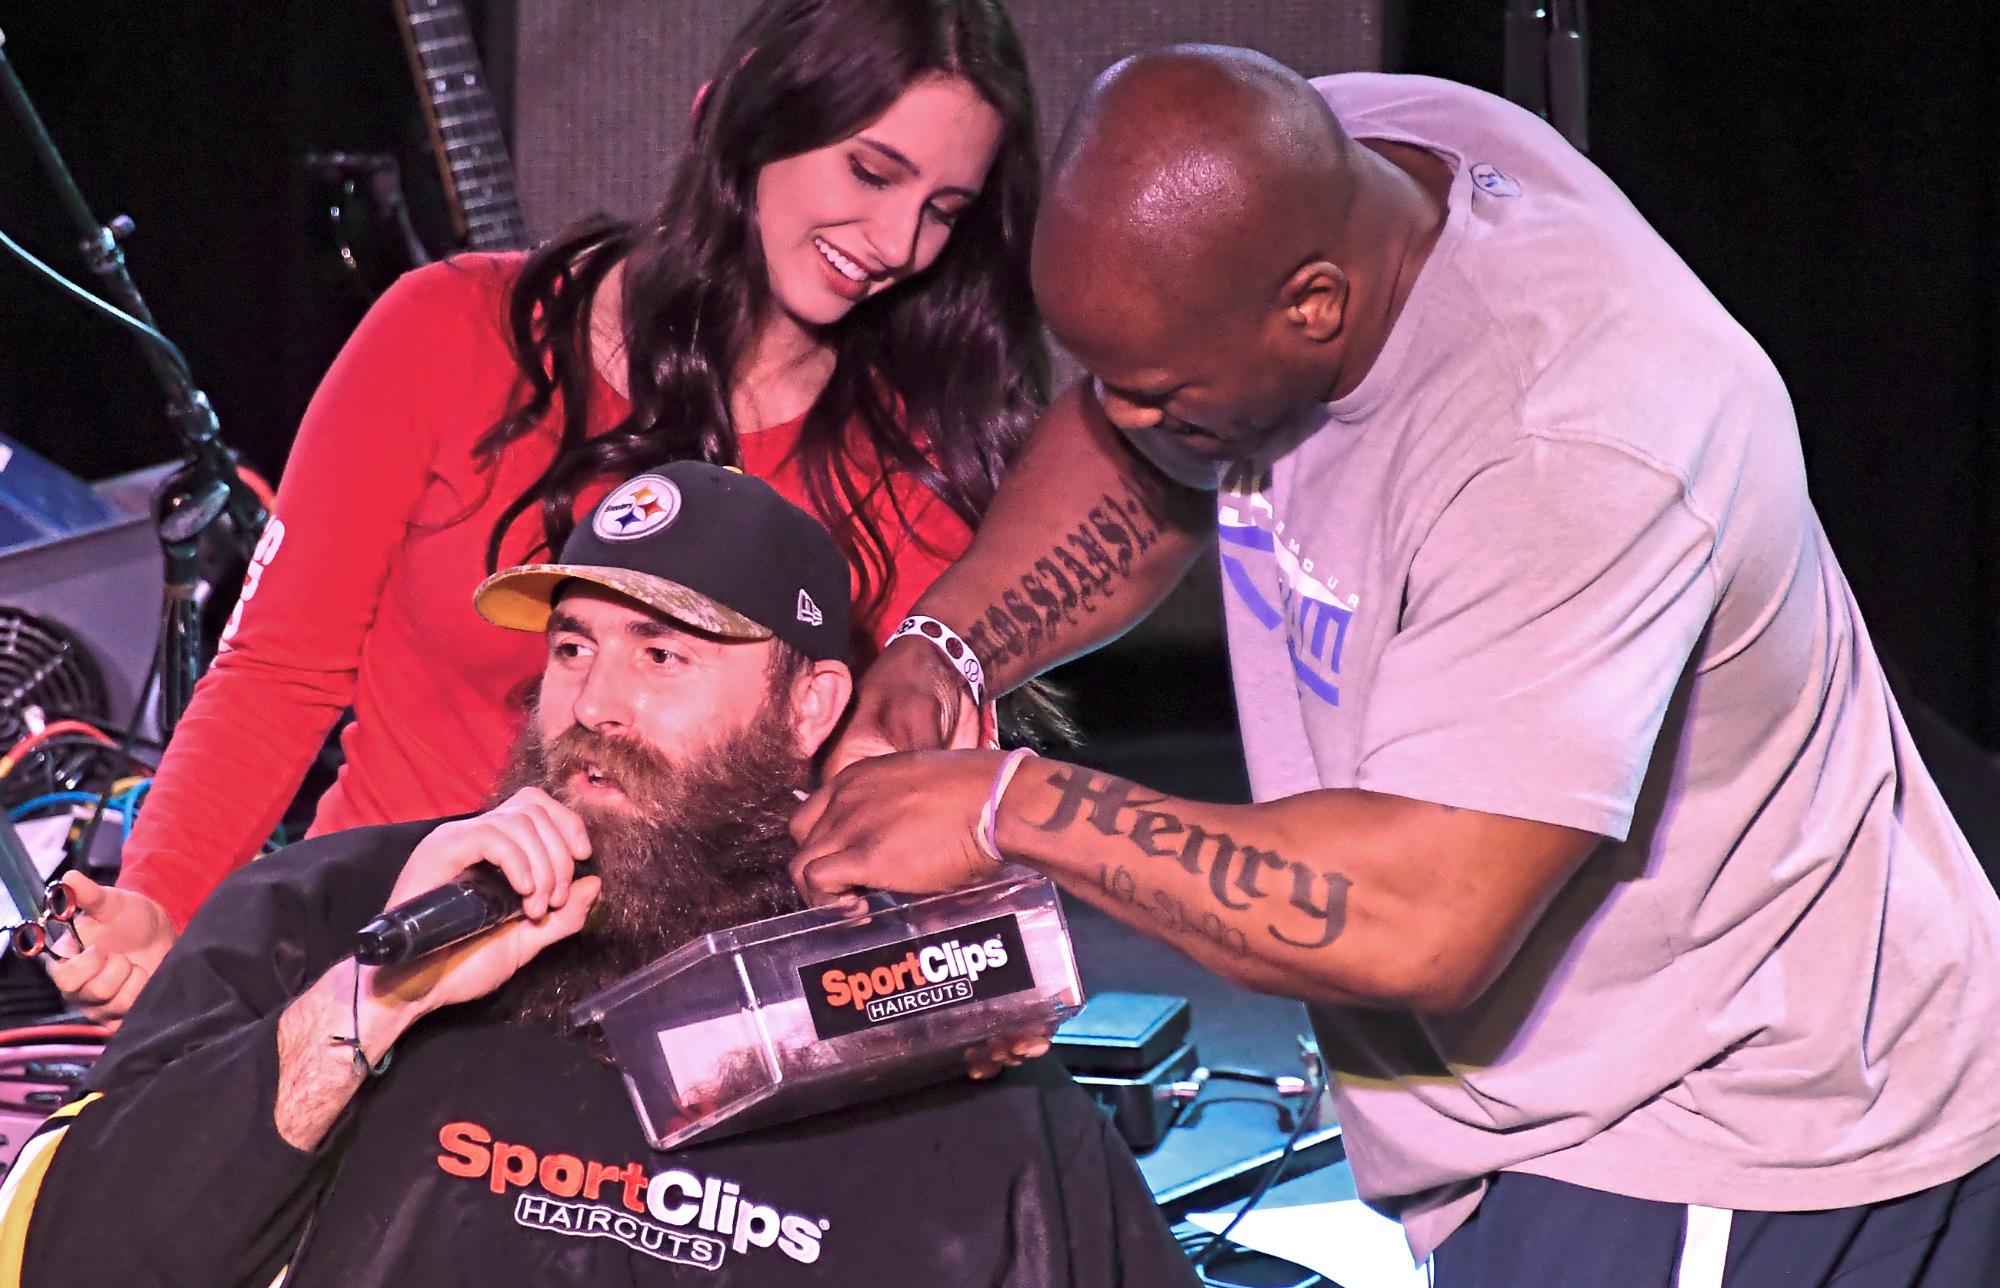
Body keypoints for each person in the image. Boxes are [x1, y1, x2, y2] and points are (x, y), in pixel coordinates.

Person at [788, 47, 2000, 1286]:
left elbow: (1420, 918)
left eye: (1162, 393)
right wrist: (946, 650)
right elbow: (1135, 453)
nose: (1121, 415)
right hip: (1536, 1106)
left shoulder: (1565, 446)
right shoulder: (1356, 155)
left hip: (1716, 1127)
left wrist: (1009, 807)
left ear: (1312, 302)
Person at [49, 0, 1051, 1026]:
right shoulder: (447, 332)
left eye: (943, 210)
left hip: (678, 1042)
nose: (896, 241)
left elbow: (886, 818)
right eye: (872, 172)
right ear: (746, 117)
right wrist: (155, 904)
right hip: (376, 974)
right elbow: (275, 676)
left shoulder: (918, 466)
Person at [2, 464, 1193, 1287]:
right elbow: (68, 1256)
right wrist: (365, 1009)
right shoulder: (332, 912)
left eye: (662, 655)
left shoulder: (907, 995)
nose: (591, 705)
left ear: (810, 706)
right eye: (571, 645)